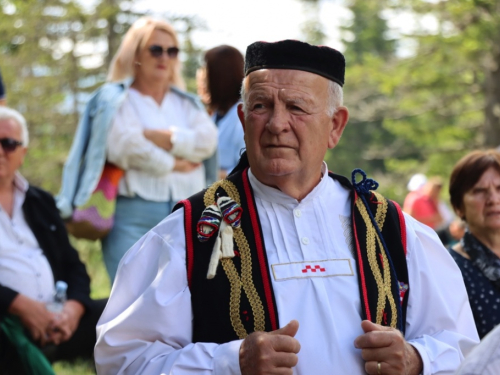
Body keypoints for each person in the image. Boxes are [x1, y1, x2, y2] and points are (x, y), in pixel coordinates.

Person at [95, 40, 478, 374]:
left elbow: (466, 350)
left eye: (297, 107)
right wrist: (231, 362)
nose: (277, 123)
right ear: (244, 120)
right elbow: (123, 361)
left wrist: (417, 360)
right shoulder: (186, 234)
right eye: (261, 106)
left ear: (335, 127)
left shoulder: (393, 228)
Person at [57, 17, 218, 283]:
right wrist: (174, 163)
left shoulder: (187, 103)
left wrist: (160, 137)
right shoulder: (116, 99)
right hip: (131, 216)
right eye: (156, 49)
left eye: (172, 50)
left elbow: (207, 142)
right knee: (132, 306)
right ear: (136, 54)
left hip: (188, 217)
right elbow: (124, 147)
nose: (164, 57)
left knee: (184, 304)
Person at [0, 107, 106, 374]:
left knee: (124, 317)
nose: (0, 150)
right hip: (7, 322)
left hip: (59, 319)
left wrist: (74, 308)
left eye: (8, 143)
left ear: (22, 153)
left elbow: (74, 266)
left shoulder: (40, 202)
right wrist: (17, 304)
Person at [448, 150, 500, 339]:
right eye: (480, 191)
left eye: (499, 188)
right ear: (458, 206)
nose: (493, 200)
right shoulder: (449, 268)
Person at [197, 45, 246, 180]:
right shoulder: (216, 115)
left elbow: (246, 171)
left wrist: (201, 173)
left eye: (205, 70)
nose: (201, 76)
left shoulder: (241, 118)